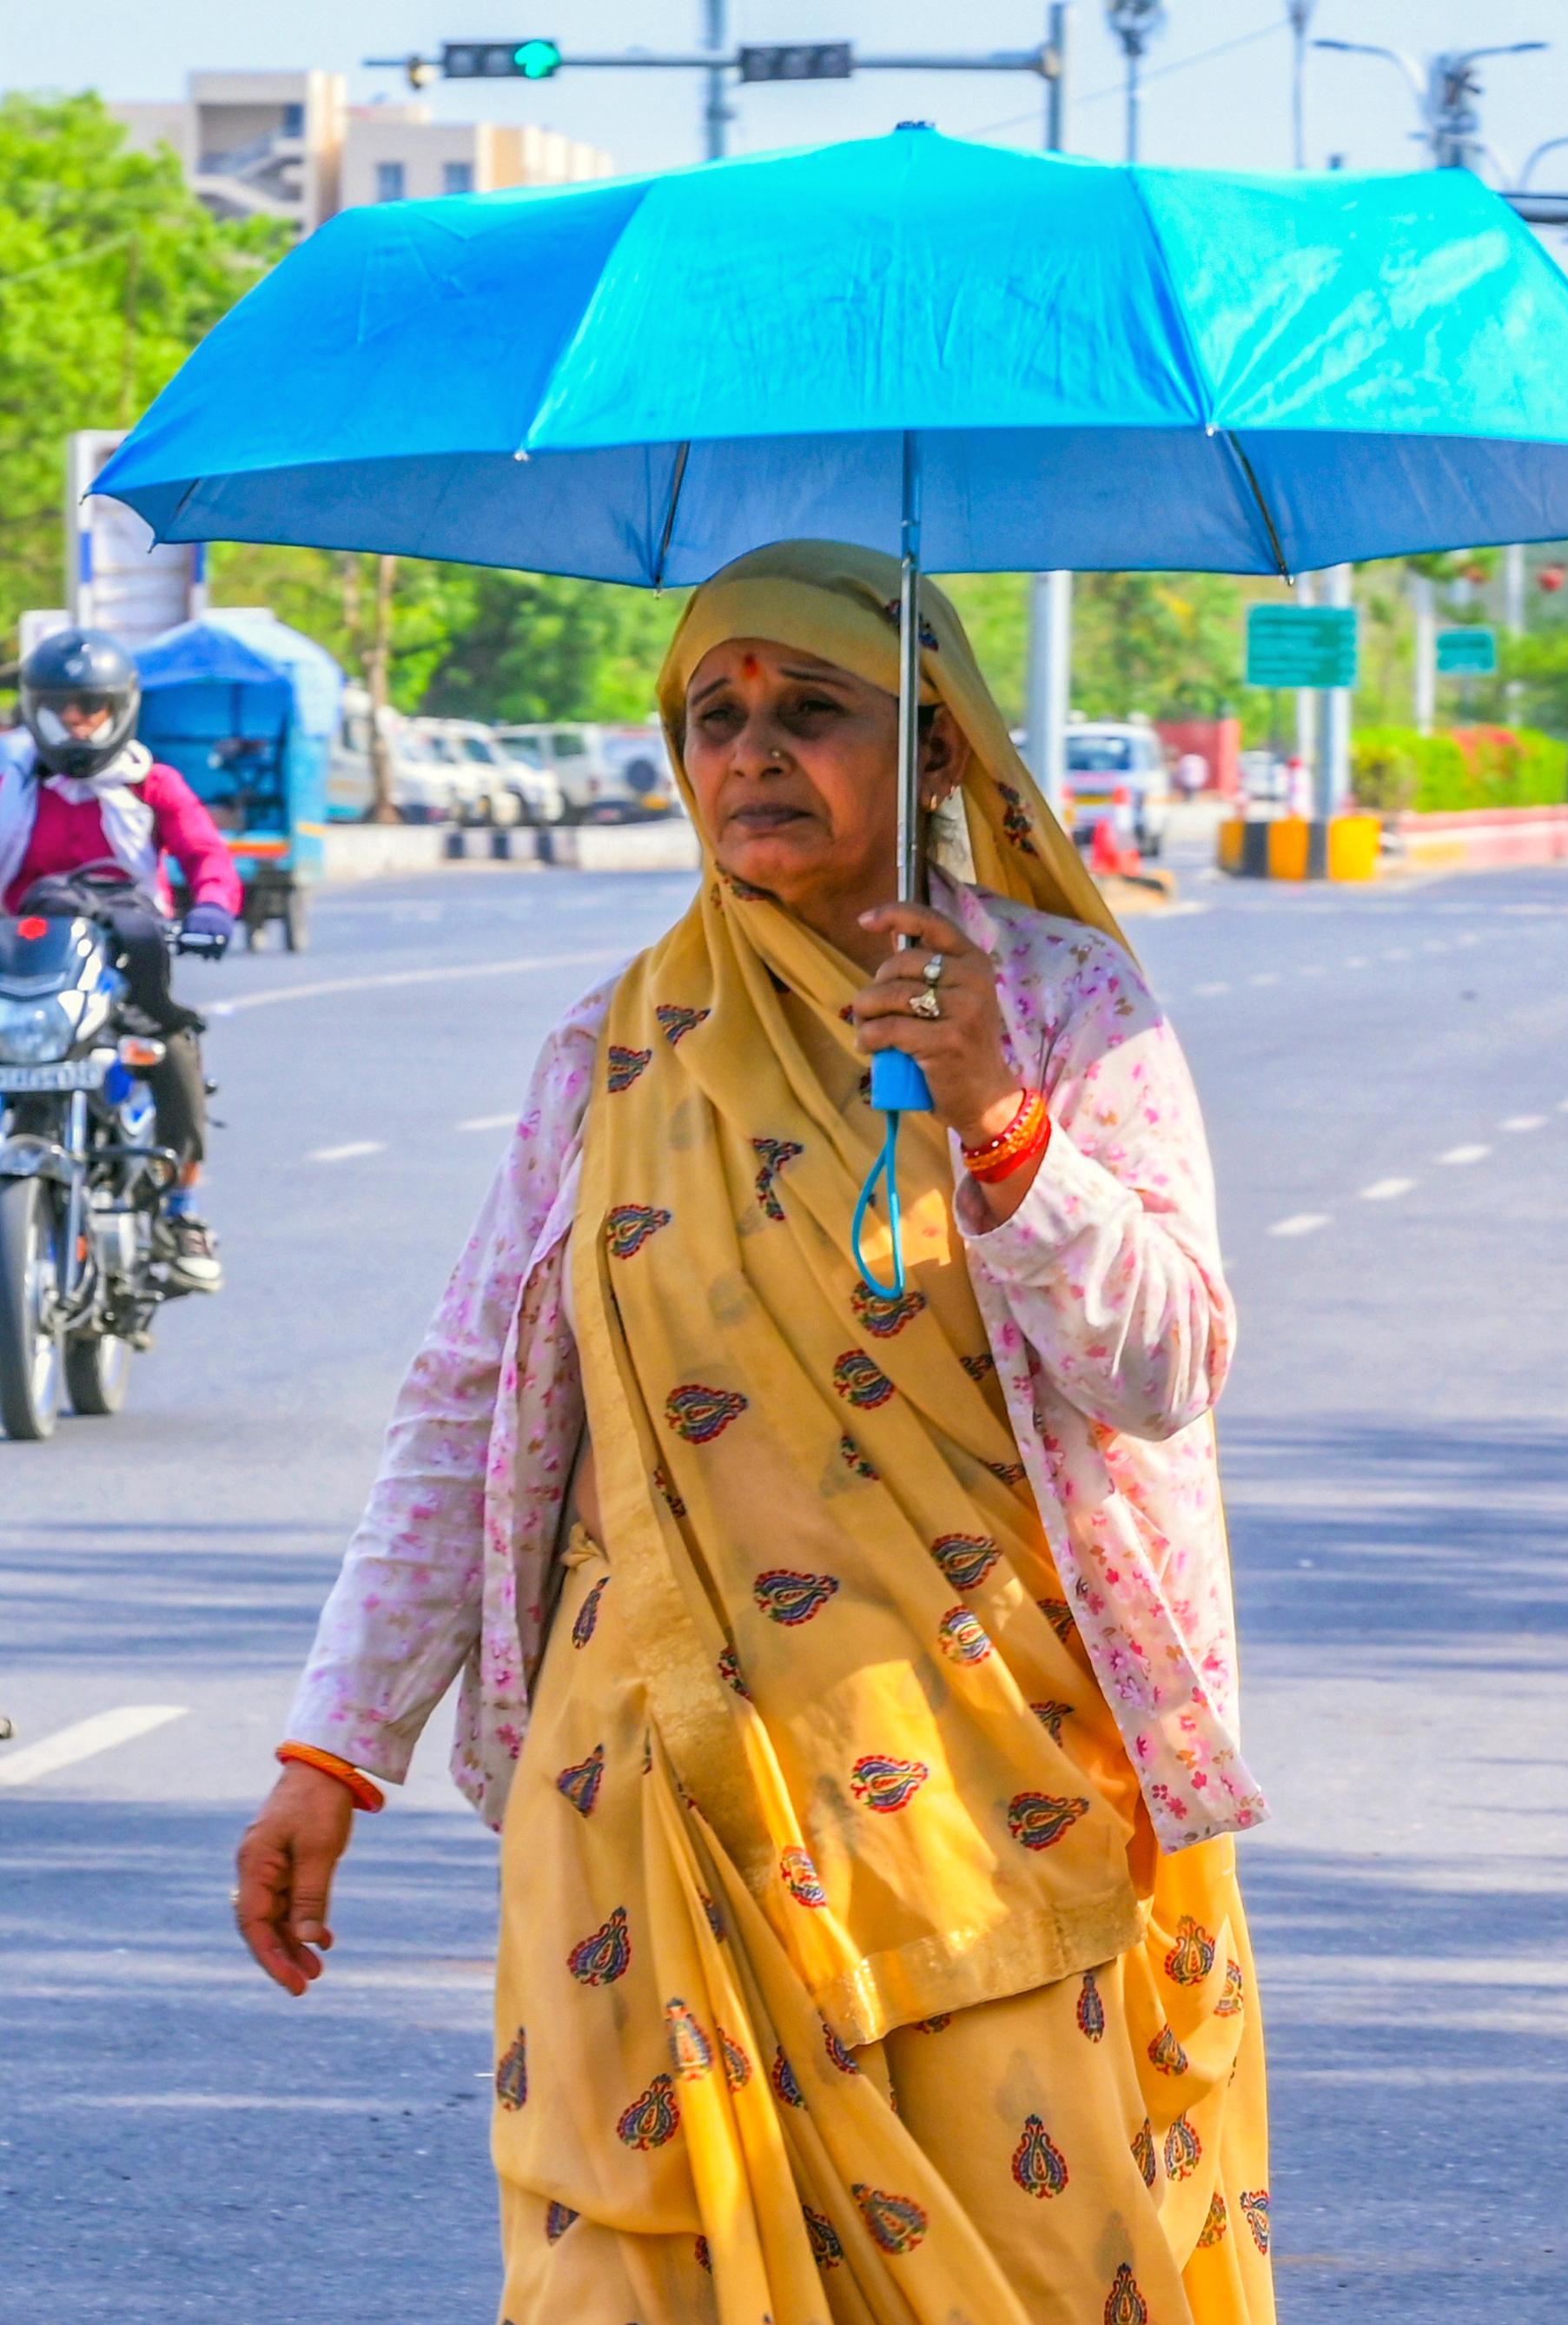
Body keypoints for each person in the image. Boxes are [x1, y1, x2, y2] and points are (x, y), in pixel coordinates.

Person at [235, 543, 1273, 2325]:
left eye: (812, 710)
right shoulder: (618, 1042)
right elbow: (466, 1400)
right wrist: (334, 1747)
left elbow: (1167, 1363)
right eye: (714, 717)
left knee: (1019, 2274)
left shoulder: (1060, 1010)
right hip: (646, 1782)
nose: (751, 753)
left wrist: (1003, 1128)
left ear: (936, 749)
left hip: (980, 1796)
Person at [6, 628, 240, 1291]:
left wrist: (213, 907)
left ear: (120, 711)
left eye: (92, 711)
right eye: (62, 712)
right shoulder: (8, 781)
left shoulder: (152, 785)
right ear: (37, 711)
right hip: (21, 963)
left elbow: (206, 855)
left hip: (123, 963)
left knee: (172, 1055)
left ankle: (182, 1210)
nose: (77, 726)